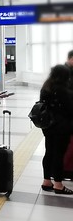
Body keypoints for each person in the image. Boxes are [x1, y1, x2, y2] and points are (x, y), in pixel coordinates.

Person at [39, 65, 73, 195]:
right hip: (62, 127)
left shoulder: (46, 87)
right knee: (59, 155)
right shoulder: (63, 90)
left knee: (49, 152)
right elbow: (70, 110)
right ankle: (58, 185)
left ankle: (47, 181)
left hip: (48, 126)